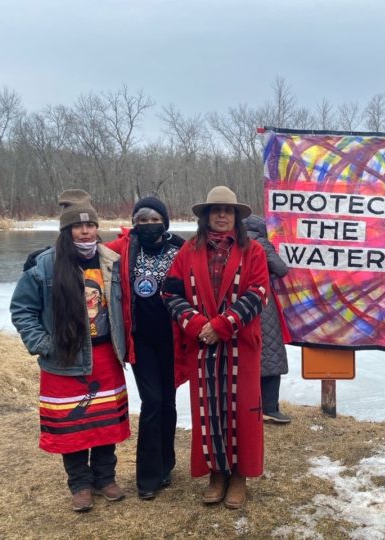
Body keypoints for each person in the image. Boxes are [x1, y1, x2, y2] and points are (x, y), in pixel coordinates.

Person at [10, 189, 129, 512]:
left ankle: (105, 479)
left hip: (105, 358)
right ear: (67, 230)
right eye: (78, 226)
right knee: (73, 427)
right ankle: (80, 485)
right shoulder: (45, 265)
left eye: (90, 225)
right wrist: (43, 344)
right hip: (64, 360)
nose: (86, 231)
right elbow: (23, 310)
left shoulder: (110, 261)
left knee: (105, 424)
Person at [161, 185, 268, 510]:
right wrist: (197, 326)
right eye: (216, 210)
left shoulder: (254, 252)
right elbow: (170, 292)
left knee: (242, 411)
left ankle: (239, 477)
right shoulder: (189, 251)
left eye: (228, 210)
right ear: (206, 215)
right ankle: (217, 474)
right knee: (208, 410)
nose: (222, 215)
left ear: (236, 216)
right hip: (203, 346)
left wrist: (221, 326)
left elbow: (258, 293)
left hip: (240, 346)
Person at [106, 196, 184, 499]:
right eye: (142, 220)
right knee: (152, 403)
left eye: (154, 219)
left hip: (175, 339)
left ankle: (166, 465)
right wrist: (44, 255)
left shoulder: (181, 248)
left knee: (168, 403)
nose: (148, 225)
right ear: (135, 223)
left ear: (165, 221)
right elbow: (85, 254)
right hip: (141, 341)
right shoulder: (124, 248)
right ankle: (148, 478)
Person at [243, 214, 292, 424]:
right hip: (263, 304)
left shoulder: (234, 243)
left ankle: (249, 406)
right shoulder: (261, 243)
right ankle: (270, 408)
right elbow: (281, 269)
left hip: (238, 302)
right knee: (271, 354)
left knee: (247, 355)